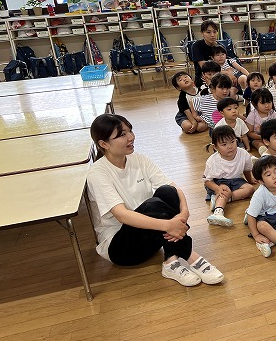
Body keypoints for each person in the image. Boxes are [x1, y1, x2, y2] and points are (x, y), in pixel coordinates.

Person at [86, 114, 224, 286]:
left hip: (151, 235)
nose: (131, 137)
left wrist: (184, 213)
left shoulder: (138, 159)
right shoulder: (98, 173)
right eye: (122, 135)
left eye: (130, 131)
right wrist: (169, 225)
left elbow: (173, 188)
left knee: (167, 192)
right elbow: (122, 215)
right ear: (103, 144)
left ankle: (171, 261)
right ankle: (191, 255)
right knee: (153, 205)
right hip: (122, 249)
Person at [204, 125, 257, 226]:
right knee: (224, 190)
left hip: (236, 179)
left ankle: (219, 199)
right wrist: (217, 189)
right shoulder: (212, 161)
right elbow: (207, 181)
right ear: (215, 147)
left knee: (250, 189)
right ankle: (218, 213)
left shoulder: (243, 154)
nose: (229, 146)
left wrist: (250, 180)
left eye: (232, 141)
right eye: (224, 144)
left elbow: (246, 169)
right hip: (219, 181)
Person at [191, 20, 222, 87]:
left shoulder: (220, 46)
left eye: (215, 32)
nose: (212, 35)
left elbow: (227, 63)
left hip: (220, 74)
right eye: (208, 32)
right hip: (203, 77)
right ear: (202, 33)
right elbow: (205, 67)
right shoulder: (197, 46)